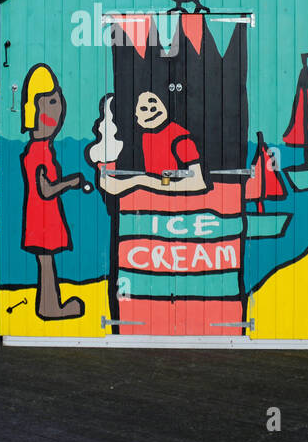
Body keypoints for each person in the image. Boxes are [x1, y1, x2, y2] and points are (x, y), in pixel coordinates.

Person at [19, 64, 89, 319]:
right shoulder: (40, 151)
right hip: (43, 216)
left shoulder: (39, 149)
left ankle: (49, 305)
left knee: (46, 262)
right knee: (46, 262)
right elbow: (46, 190)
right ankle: (49, 308)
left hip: (41, 215)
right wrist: (71, 183)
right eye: (51, 101)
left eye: (57, 101)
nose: (59, 109)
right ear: (37, 110)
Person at [99, 90, 208, 196]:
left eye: (153, 102)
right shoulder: (143, 138)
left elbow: (197, 182)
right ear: (135, 116)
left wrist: (139, 181)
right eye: (143, 108)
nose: (152, 110)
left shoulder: (181, 140)